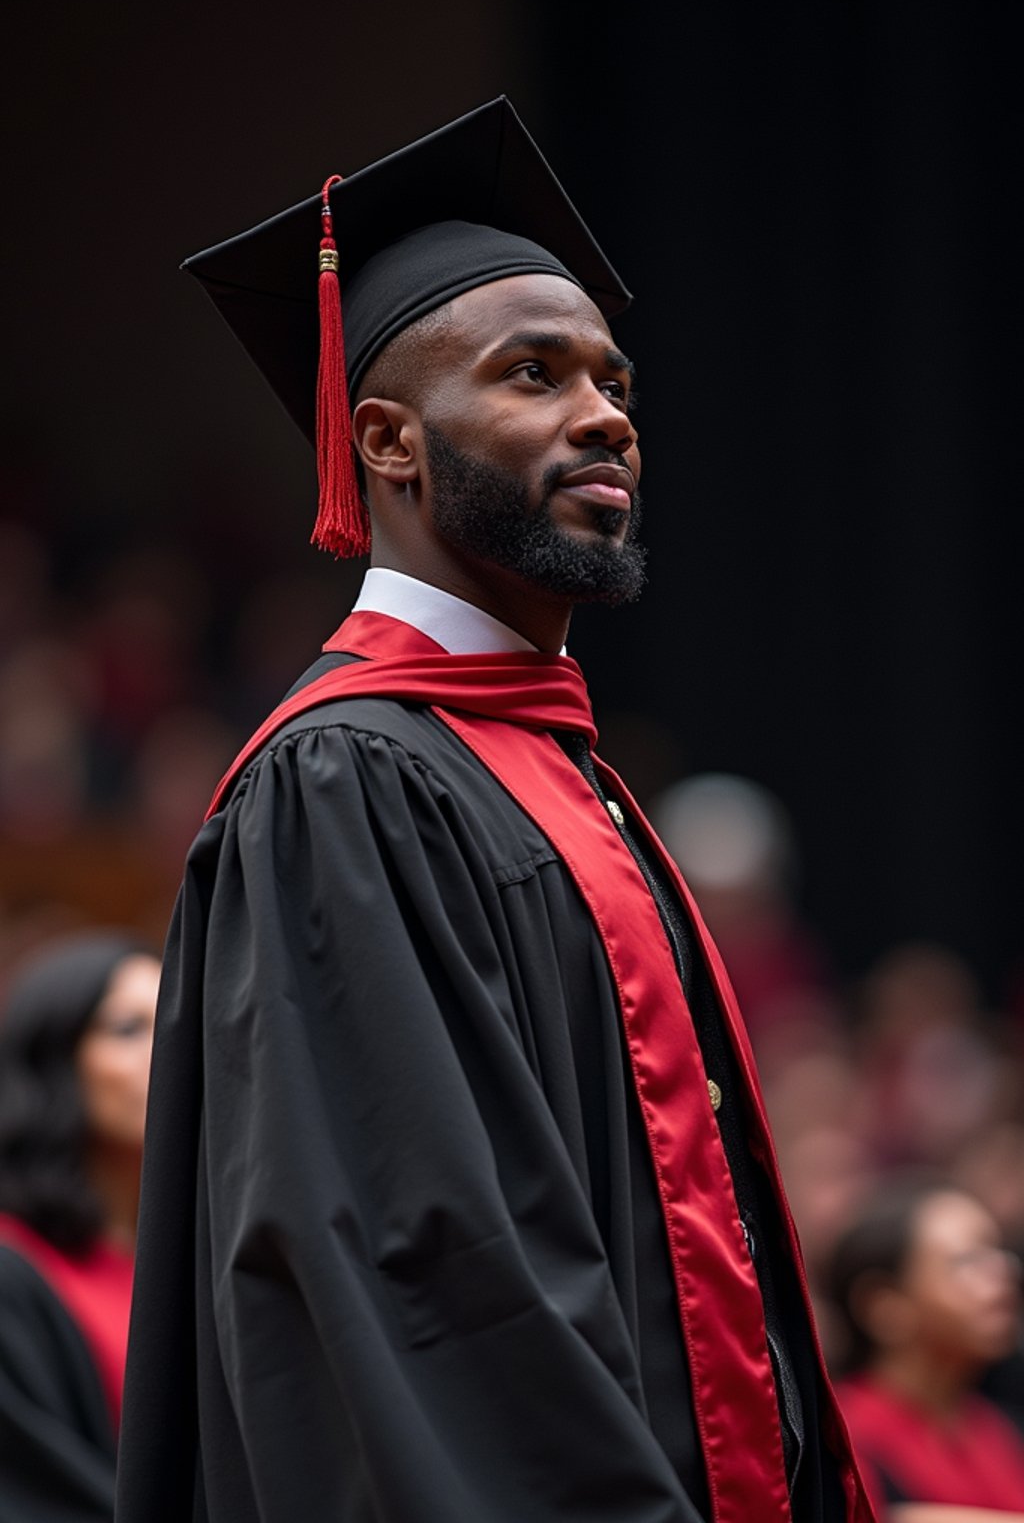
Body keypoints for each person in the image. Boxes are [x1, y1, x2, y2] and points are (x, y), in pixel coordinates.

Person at [115, 98, 872, 1523]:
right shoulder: (343, 786)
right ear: (388, 443)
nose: (605, 417)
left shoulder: (551, 770)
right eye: (534, 374)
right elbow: (426, 1272)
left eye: (615, 383)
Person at [0, 931, 159, 1522]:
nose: (166, 1049)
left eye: (174, 1019)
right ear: (56, 1062)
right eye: (128, 1029)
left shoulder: (199, 1258)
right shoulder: (15, 1273)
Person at [828, 1177, 1024, 1520]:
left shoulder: (1002, 1428)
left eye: (998, 1253)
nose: (1005, 1273)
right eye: (967, 1261)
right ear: (884, 1306)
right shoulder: (839, 1436)